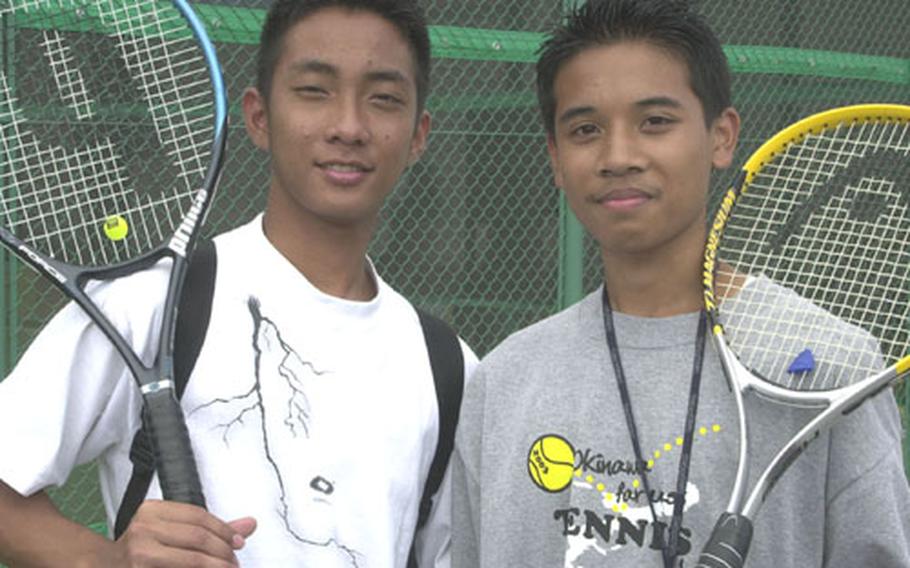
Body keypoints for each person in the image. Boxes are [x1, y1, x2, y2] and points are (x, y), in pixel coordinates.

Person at [0, 0, 477, 566]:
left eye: (384, 99)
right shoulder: (155, 303)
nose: (348, 126)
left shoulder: (450, 367)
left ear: (419, 134)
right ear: (258, 117)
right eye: (314, 90)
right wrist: (106, 561)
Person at [450, 0, 910, 567]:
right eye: (586, 129)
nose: (618, 156)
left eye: (656, 122)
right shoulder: (503, 380)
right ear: (555, 157)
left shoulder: (832, 368)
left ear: (721, 137)